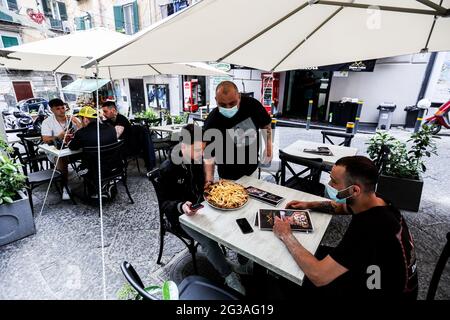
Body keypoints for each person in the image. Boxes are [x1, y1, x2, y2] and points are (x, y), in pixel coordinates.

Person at [273, 156, 418, 299]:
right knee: (311, 250)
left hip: (379, 289)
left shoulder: (370, 227)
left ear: (354, 190)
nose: (329, 184)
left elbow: (319, 275)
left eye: (334, 182)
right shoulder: (375, 201)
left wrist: (286, 234)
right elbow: (343, 207)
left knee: (293, 277)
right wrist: (309, 205)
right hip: (376, 273)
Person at [159, 124, 245, 295]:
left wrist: (208, 182)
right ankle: (228, 275)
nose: (201, 153)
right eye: (197, 149)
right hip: (180, 216)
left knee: (233, 218)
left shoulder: (196, 160)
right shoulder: (168, 168)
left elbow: (206, 174)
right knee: (208, 239)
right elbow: (164, 204)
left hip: (200, 207)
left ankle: (238, 263)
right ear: (183, 147)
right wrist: (181, 206)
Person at [203, 81, 272, 184]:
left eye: (232, 103)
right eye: (222, 104)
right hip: (226, 175)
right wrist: (209, 179)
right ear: (216, 100)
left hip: (251, 171)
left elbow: (266, 125)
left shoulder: (252, 105)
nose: (228, 108)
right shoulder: (212, 120)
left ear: (239, 96)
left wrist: (269, 147)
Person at [41, 98, 82, 200]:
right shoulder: (47, 122)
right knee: (61, 159)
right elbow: (45, 140)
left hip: (73, 148)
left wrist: (78, 123)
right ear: (52, 110)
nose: (62, 110)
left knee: (90, 151)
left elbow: (83, 133)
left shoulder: (71, 119)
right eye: (58, 109)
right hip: (56, 151)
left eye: (63, 108)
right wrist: (59, 136)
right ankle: (65, 186)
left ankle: (91, 179)